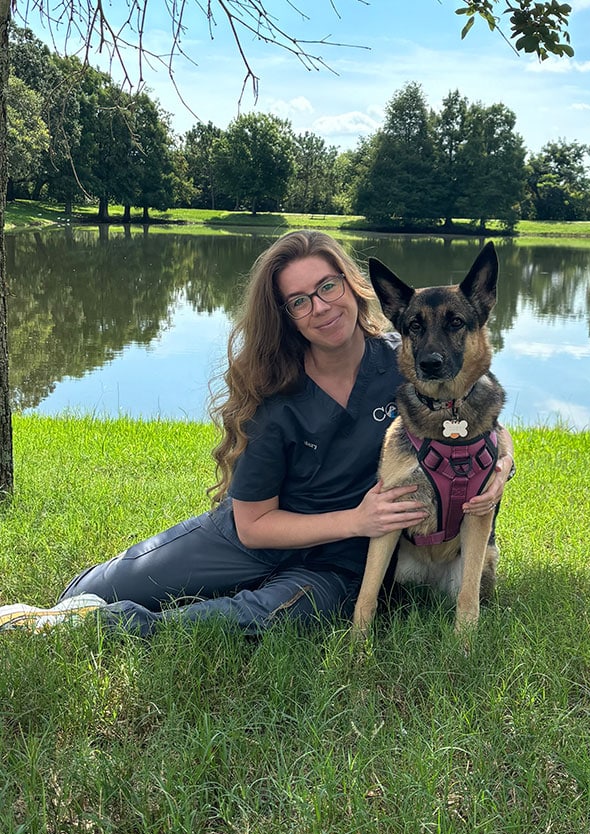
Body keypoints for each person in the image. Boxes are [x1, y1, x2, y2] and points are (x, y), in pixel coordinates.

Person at [0, 231, 514, 637]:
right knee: (95, 586)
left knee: (262, 617)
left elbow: (470, 416)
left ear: (352, 287)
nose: (320, 306)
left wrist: (505, 458)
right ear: (286, 316)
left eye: (327, 287)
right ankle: (70, 609)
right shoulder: (277, 391)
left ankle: (107, 627)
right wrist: (357, 516)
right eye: (299, 300)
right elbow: (252, 525)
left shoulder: (406, 365)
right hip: (255, 536)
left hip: (339, 563)